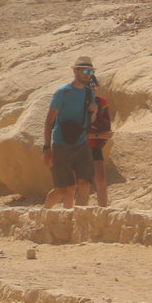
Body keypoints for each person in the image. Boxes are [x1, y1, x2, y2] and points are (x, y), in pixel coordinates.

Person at [43, 56, 98, 208]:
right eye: (85, 71)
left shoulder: (90, 93)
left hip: (81, 143)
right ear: (75, 71)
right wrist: (47, 148)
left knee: (85, 183)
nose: (88, 74)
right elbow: (49, 121)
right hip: (62, 145)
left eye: (91, 72)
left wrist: (94, 112)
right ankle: (43, 215)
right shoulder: (63, 93)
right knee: (62, 190)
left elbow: (89, 121)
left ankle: (79, 221)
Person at [88, 90, 113, 207]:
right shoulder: (76, 103)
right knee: (78, 183)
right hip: (78, 146)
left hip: (93, 145)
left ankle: (103, 210)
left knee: (101, 179)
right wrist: (96, 135)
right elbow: (77, 132)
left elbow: (106, 130)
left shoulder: (101, 102)